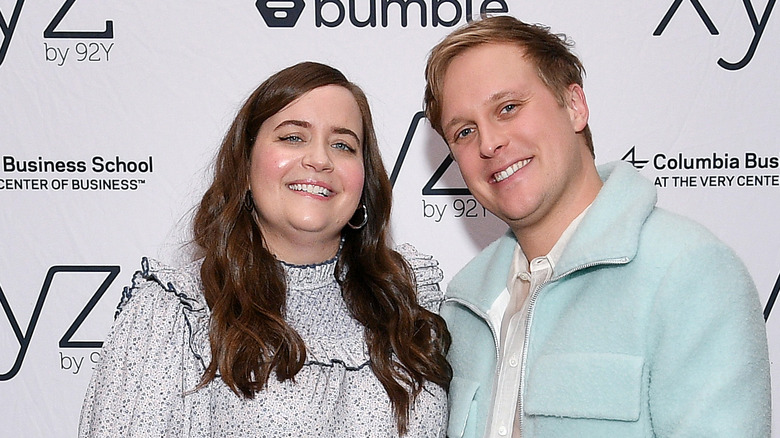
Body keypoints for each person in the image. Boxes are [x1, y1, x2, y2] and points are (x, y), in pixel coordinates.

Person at [423, 15, 771, 438]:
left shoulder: (689, 272)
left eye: (508, 108)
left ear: (574, 106)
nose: (489, 143)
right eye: (464, 131)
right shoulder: (463, 306)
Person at [79, 61, 452, 437]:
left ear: (365, 180)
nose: (320, 160)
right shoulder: (175, 312)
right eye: (293, 137)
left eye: (343, 145)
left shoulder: (410, 302)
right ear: (245, 164)